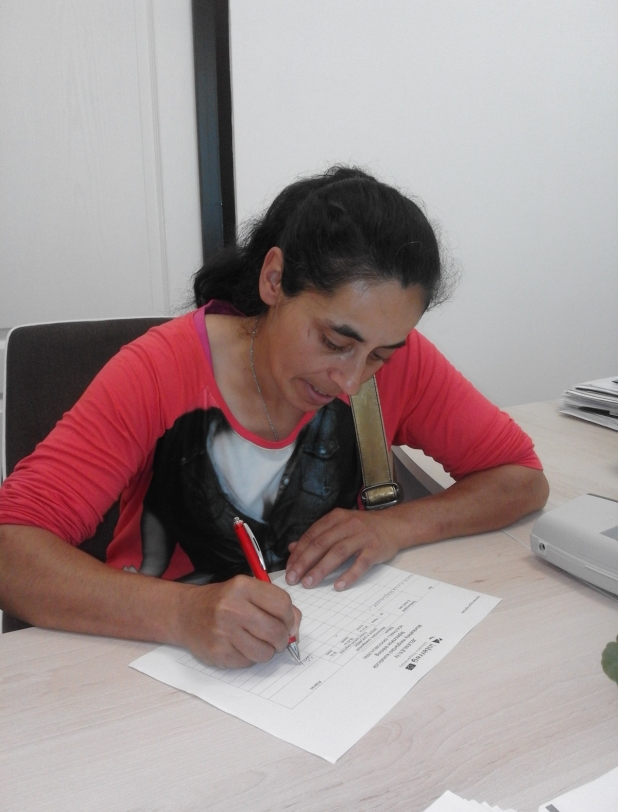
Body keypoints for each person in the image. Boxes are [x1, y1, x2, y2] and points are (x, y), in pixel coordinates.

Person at [0, 166, 549, 669]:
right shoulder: (159, 371)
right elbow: (11, 549)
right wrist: (182, 613)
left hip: (327, 660)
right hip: (153, 661)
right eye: (334, 342)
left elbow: (520, 478)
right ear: (274, 279)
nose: (352, 381)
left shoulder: (398, 365)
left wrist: (395, 526)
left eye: (380, 355)